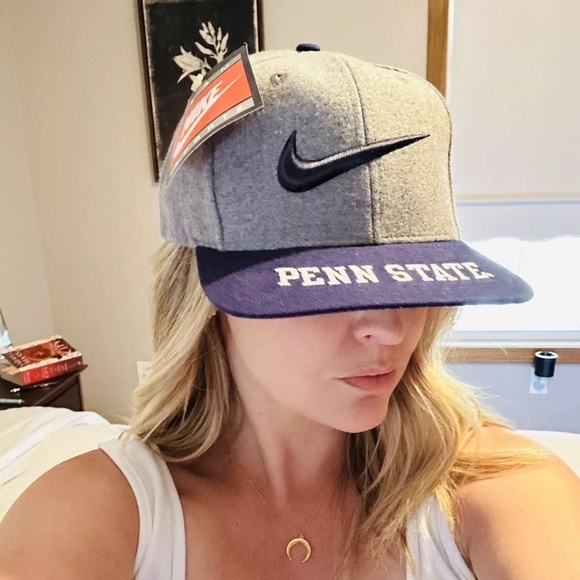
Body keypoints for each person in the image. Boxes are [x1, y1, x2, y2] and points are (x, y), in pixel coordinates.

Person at [0, 43, 579, 580]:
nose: (392, 328)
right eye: (326, 289)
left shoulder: (499, 486)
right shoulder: (94, 514)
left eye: (415, 281)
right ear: (207, 299)